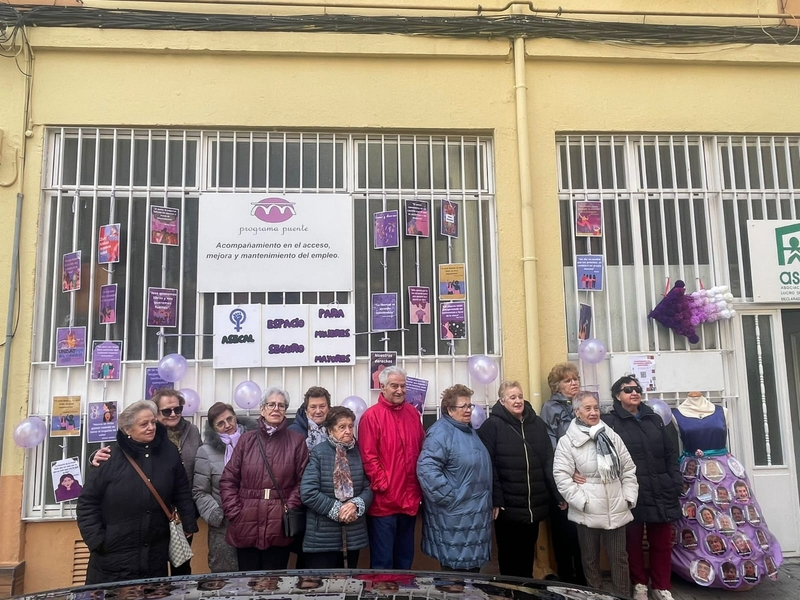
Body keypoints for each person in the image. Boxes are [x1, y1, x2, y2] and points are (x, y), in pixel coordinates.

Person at [77, 400, 198, 583]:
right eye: (144, 424)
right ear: (127, 430)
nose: (151, 427)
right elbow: (87, 503)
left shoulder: (169, 452)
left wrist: (188, 523)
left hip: (154, 555)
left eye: (153, 422)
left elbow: (181, 490)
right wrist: (98, 541)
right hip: (113, 557)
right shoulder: (110, 457)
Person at [671, 392, 782, 589]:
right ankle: (704, 566)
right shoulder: (676, 414)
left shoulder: (723, 411)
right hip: (694, 474)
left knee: (737, 516)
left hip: (725, 472)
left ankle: (743, 562)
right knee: (698, 521)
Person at [601, 376, 682, 600]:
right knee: (633, 542)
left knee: (661, 542)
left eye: (637, 389)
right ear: (618, 395)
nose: (634, 393)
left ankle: (661, 586)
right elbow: (607, 458)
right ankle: (639, 585)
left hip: (661, 488)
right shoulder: (610, 422)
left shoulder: (654, 419)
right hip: (632, 491)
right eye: (627, 390)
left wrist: (675, 481)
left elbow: (670, 453)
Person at [553, 391, 639, 597]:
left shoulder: (611, 436)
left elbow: (628, 469)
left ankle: (622, 596)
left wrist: (628, 497)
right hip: (588, 510)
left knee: (619, 558)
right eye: (587, 408)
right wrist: (581, 501)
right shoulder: (568, 442)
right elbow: (561, 476)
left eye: (596, 408)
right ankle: (596, 595)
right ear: (577, 412)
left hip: (616, 507)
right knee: (590, 560)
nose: (593, 412)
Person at [477, 380, 560, 578]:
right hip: (507, 507)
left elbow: (548, 460)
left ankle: (525, 591)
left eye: (520, 396)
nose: (517, 401)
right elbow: (489, 466)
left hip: (533, 504)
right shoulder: (492, 426)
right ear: (502, 401)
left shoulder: (537, 423)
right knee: (509, 557)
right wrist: (496, 498)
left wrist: (555, 494)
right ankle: (510, 592)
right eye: (512, 397)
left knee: (527, 555)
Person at [219, 387, 309, 569]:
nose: (276, 409)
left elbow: (303, 481)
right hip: (245, 521)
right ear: (262, 409)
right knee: (247, 583)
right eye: (271, 404)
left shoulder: (296, 441)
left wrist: (288, 508)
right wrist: (235, 512)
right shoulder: (246, 440)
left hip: (279, 523)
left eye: (281, 406)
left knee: (274, 583)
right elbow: (228, 480)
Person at [418, 384, 492, 572]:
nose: (468, 410)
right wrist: (450, 499)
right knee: (453, 580)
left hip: (474, 516)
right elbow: (426, 469)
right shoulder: (441, 433)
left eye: (470, 406)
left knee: (470, 577)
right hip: (455, 517)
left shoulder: (467, 430)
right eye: (463, 406)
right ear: (450, 410)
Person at [358, 365, 424, 569]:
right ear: (383, 387)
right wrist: (383, 485)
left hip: (410, 500)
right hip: (383, 503)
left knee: (405, 560)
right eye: (394, 385)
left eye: (403, 386)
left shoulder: (413, 413)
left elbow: (421, 449)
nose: (399, 390)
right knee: (382, 562)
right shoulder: (371, 416)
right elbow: (368, 458)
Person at [300, 406, 373, 568]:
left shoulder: (359, 452)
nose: (348, 431)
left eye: (350, 426)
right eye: (342, 427)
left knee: (349, 585)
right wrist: (338, 510)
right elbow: (308, 492)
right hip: (323, 536)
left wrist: (356, 504)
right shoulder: (319, 453)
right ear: (330, 431)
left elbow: (368, 487)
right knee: (325, 588)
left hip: (353, 532)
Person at [193, 402, 257, 572]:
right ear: (214, 428)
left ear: (236, 417)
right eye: (221, 423)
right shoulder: (206, 452)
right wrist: (217, 515)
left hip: (254, 522)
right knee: (225, 576)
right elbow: (200, 491)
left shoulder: (256, 443)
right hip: (223, 526)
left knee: (253, 577)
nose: (228, 425)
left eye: (230, 419)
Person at [540, 363, 585, 584]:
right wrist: (566, 478)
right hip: (564, 480)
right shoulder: (550, 408)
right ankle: (568, 581)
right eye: (568, 380)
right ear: (557, 386)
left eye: (575, 378)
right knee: (565, 535)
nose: (574, 382)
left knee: (584, 536)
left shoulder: (584, 405)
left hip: (586, 479)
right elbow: (552, 448)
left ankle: (586, 582)